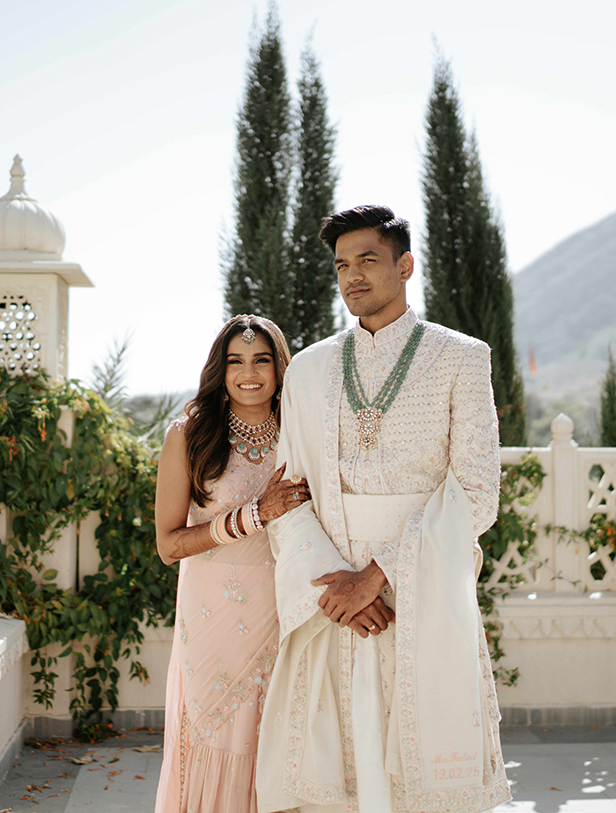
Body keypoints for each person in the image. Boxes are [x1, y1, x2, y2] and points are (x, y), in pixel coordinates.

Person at [256, 205, 512, 812]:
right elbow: (288, 495)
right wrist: (335, 587)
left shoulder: (460, 357)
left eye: (367, 260)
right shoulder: (309, 370)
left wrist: (375, 577)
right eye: (341, 264)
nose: (352, 275)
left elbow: (478, 493)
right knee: (335, 778)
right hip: (331, 596)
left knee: (424, 776)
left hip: (422, 589)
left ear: (405, 266)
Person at [154, 314, 314, 813]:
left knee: (280, 738)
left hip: (288, 609)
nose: (249, 373)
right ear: (219, 371)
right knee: (221, 735)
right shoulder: (190, 436)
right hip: (214, 617)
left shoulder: (302, 433)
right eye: (236, 361)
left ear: (280, 367)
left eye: (262, 360)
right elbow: (168, 545)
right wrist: (253, 515)